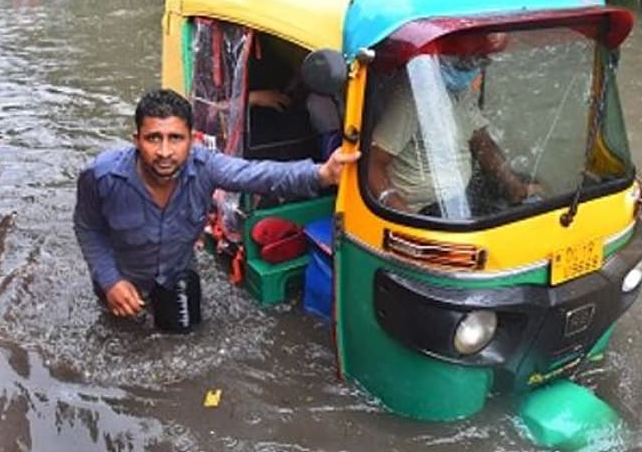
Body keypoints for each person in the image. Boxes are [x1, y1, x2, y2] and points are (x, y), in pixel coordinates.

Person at [74, 88, 357, 324]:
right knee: (122, 343)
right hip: (122, 280)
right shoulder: (102, 176)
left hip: (176, 273)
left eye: (175, 138)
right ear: (136, 140)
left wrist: (321, 174)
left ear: (191, 139)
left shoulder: (205, 166)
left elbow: (258, 174)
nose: (164, 152)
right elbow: (87, 227)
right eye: (153, 138)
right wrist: (110, 281)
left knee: (183, 342)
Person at [366, 34, 541, 216]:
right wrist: (402, 212)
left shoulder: (463, 89)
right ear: (446, 58)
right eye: (465, 61)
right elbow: (372, 162)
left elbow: (479, 139)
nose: (472, 67)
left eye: (478, 60)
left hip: (459, 199)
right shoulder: (415, 95)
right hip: (422, 208)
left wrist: (514, 187)